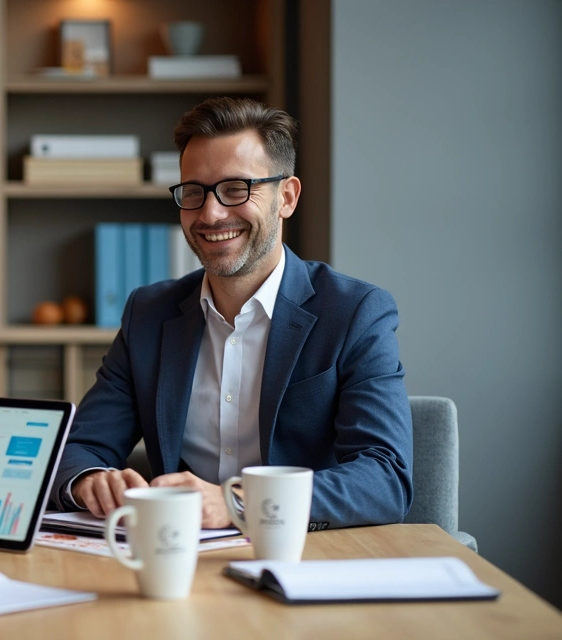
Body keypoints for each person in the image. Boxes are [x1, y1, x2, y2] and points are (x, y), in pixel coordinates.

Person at [52, 97, 412, 532]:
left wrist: (238, 502)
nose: (211, 213)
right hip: (177, 556)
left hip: (302, 557)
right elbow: (80, 446)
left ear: (287, 197)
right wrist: (91, 480)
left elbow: (384, 477)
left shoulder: (355, 312)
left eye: (236, 188)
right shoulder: (148, 314)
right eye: (194, 192)